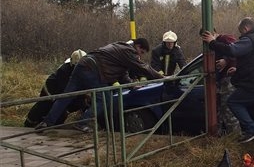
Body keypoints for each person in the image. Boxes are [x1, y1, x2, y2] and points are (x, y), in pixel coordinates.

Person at [36, 38, 164, 132]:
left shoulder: (119, 47)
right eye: (141, 52)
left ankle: (47, 122)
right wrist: (162, 77)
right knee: (104, 98)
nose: (140, 56)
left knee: (66, 96)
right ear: (137, 46)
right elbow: (143, 67)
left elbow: (122, 74)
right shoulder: (128, 51)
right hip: (93, 69)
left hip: (82, 65)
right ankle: (82, 123)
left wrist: (131, 85)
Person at [201, 17, 254, 159]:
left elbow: (232, 50)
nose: (241, 35)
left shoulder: (250, 39)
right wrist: (237, 69)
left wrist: (212, 43)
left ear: (246, 29)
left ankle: (252, 129)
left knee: (234, 101)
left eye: (241, 32)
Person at [24, 49, 88, 127]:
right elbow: (65, 89)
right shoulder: (64, 71)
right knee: (43, 106)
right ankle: (30, 123)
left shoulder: (83, 70)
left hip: (62, 92)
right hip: (51, 91)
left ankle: (53, 124)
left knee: (65, 108)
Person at [214, 31, 241, 136]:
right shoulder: (212, 46)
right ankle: (220, 136)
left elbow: (236, 50)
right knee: (220, 110)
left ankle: (235, 137)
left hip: (228, 79)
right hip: (219, 81)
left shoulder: (225, 38)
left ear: (214, 32)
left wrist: (226, 60)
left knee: (229, 109)